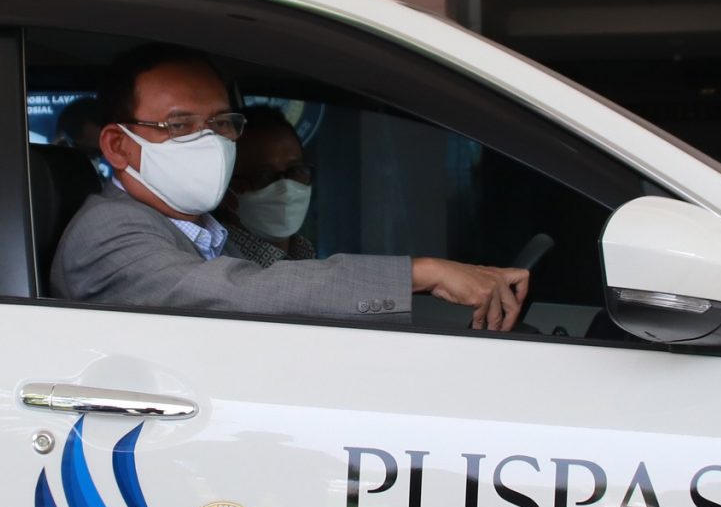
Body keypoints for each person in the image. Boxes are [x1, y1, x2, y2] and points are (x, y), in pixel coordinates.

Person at [50, 44, 531, 328]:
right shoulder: (108, 232)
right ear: (118, 146)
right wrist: (422, 273)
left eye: (220, 123)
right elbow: (240, 295)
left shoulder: (206, 232)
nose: (209, 141)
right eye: (179, 126)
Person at [217, 106, 316, 266]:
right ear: (226, 192)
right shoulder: (217, 267)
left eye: (295, 171)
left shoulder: (305, 254)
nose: (286, 189)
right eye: (265, 175)